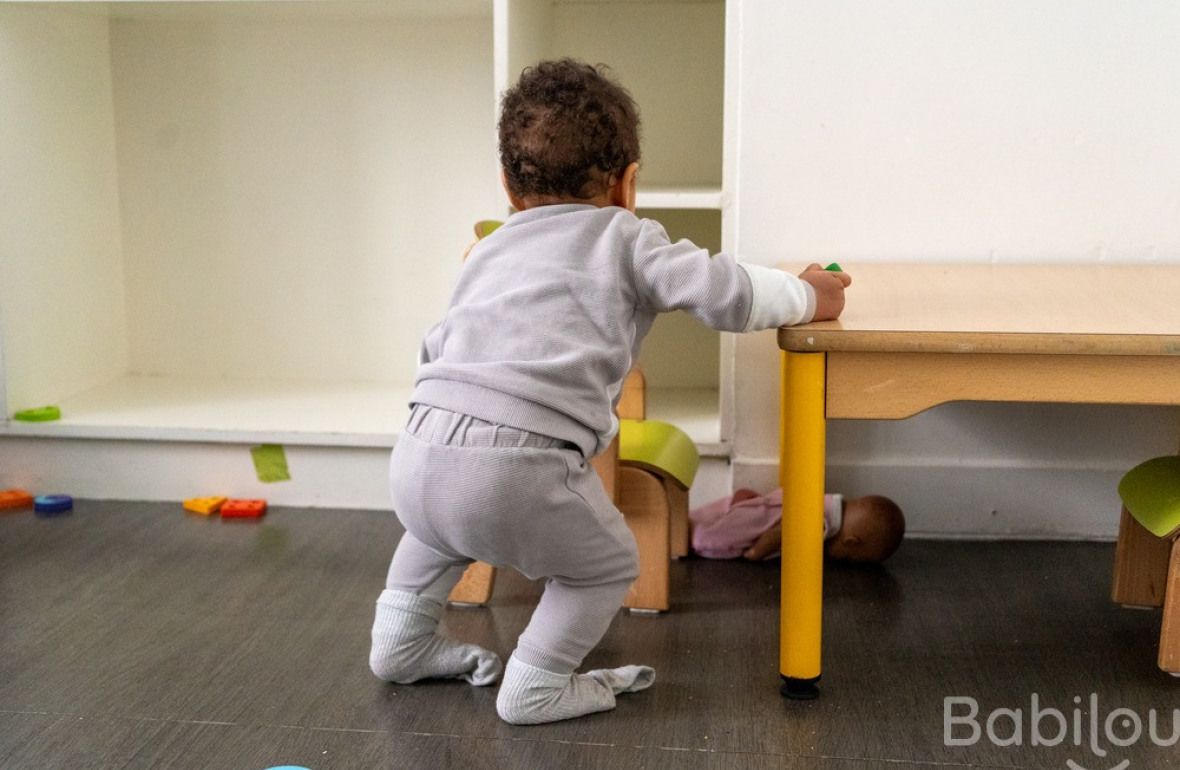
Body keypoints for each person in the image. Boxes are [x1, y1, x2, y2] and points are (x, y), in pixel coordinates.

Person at [368, 58, 852, 725]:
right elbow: (726, 292)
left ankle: (400, 644)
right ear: (628, 184)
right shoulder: (625, 238)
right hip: (520, 465)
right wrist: (807, 295)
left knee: (436, 525)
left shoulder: (488, 249)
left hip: (419, 448)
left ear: (508, 186)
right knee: (606, 563)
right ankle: (536, 683)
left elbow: (442, 339)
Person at [690, 489, 906, 563]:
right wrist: (757, 552)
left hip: (766, 506)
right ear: (851, 542)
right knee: (706, 540)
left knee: (730, 515)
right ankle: (688, 533)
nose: (843, 558)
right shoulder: (819, 525)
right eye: (850, 557)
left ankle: (734, 506)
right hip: (761, 517)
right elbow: (780, 534)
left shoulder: (828, 501)